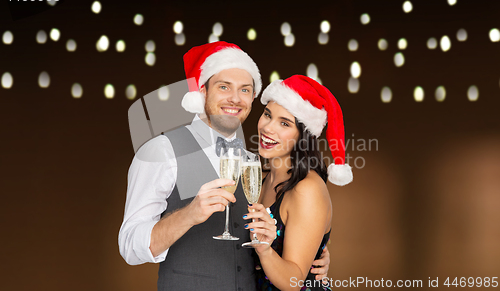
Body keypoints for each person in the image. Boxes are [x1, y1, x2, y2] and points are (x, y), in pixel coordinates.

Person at [118, 42, 330, 290]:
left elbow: (296, 225)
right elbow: (130, 246)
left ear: (252, 98)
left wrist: (317, 251)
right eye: (224, 87)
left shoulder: (253, 163)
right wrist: (189, 214)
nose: (235, 98)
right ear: (202, 90)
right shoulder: (161, 151)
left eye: (245, 90)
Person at [242, 75, 353, 290]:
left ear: (302, 136)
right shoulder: (261, 181)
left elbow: (294, 281)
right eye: (267, 115)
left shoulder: (307, 189)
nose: (268, 128)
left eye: (284, 123)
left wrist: (264, 249)